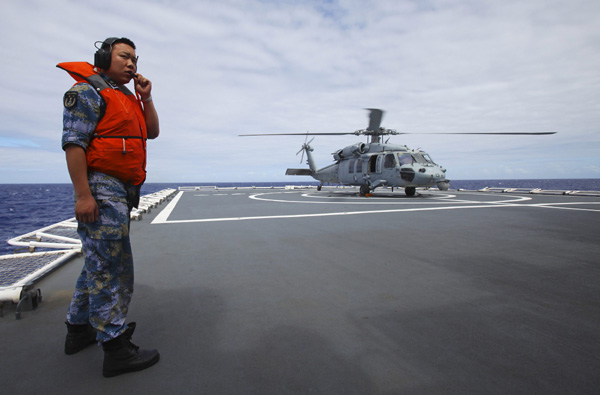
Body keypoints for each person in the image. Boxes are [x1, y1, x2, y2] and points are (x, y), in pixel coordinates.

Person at [58, 37, 160, 378]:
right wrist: (83, 195)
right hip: (101, 189)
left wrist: (146, 99)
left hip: (119, 191)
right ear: (104, 58)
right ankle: (115, 348)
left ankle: (78, 330)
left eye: (135, 59)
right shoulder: (86, 92)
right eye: (124, 57)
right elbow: (74, 144)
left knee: (96, 266)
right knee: (113, 270)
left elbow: (152, 132)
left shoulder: (127, 98)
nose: (132, 64)